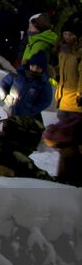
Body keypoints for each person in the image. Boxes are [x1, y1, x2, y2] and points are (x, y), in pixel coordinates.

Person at [0, 53, 55, 172]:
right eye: (33, 66)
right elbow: (4, 83)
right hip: (11, 110)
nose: (35, 69)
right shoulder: (18, 74)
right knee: (6, 135)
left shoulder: (44, 83)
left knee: (20, 138)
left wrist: (31, 110)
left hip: (27, 116)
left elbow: (45, 101)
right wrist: (5, 97)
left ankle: (17, 160)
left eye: (38, 67)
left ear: (43, 68)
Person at [51, 21, 81, 186]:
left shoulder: (79, 53)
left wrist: (80, 94)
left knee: (71, 143)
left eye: (71, 34)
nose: (67, 37)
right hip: (63, 101)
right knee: (65, 142)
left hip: (76, 104)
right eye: (65, 34)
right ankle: (64, 175)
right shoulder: (63, 51)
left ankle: (70, 177)